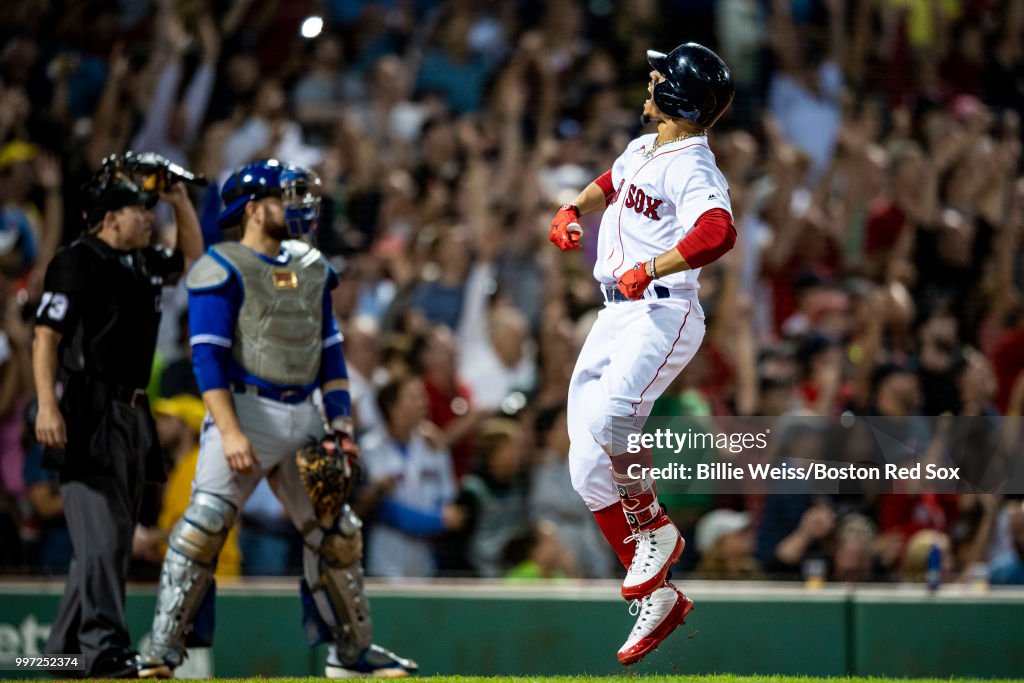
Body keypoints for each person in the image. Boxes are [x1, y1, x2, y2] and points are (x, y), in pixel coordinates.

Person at [138, 159, 416, 678]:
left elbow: (331, 354)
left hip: (303, 413)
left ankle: (351, 654)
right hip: (244, 407)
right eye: (282, 198)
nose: (294, 207)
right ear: (252, 208)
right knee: (203, 528)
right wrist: (231, 430)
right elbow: (207, 359)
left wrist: (341, 422)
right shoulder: (220, 267)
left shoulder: (311, 265)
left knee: (338, 533)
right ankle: (160, 651)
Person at [549, 42, 736, 666]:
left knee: (613, 417)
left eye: (660, 76)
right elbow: (612, 182)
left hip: (663, 306)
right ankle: (656, 596)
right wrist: (574, 207)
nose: (650, 79)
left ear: (680, 96)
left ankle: (654, 526)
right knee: (584, 466)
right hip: (617, 310)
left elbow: (717, 231)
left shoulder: (693, 163)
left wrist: (652, 266)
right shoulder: (646, 146)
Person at [32, 156, 202, 677]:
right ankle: (105, 647)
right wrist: (46, 404)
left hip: (132, 416)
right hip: (89, 407)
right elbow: (46, 337)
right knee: (104, 540)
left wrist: (181, 201)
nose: (149, 217)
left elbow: (194, 263)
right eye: (138, 209)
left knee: (97, 552)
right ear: (109, 218)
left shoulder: (142, 263)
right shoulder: (78, 259)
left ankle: (57, 658)